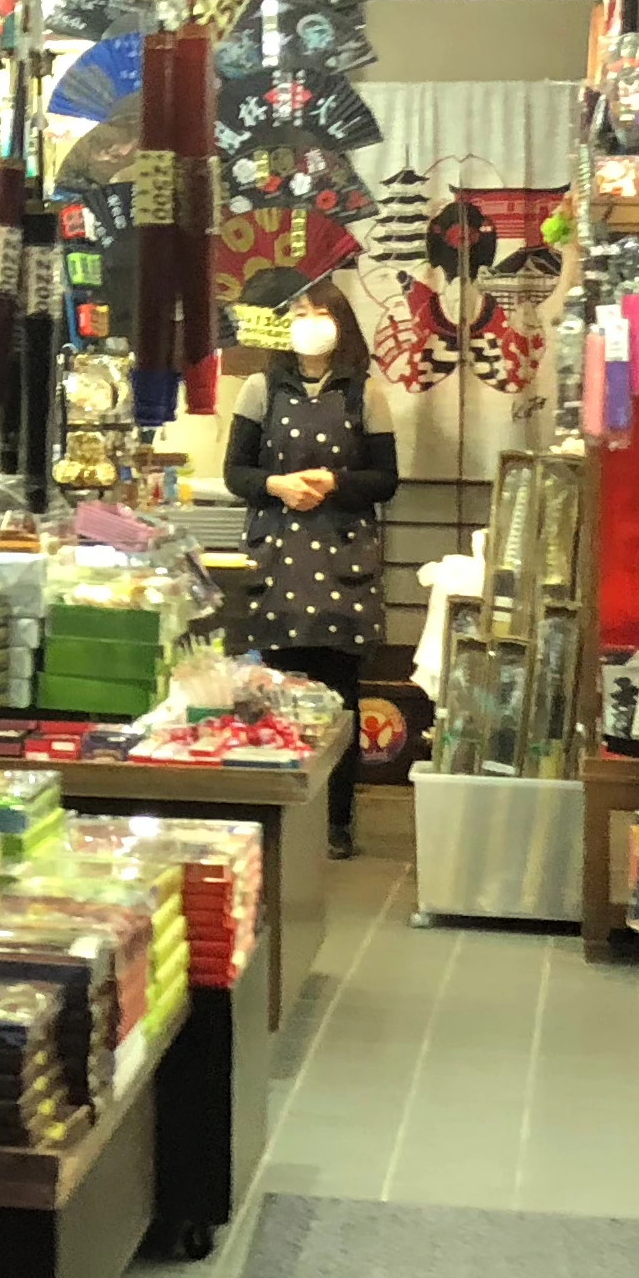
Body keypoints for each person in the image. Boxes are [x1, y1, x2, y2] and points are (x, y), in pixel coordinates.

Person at [224, 272, 400, 860]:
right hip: (276, 556)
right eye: (298, 313)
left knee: (341, 698)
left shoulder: (365, 394)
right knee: (277, 693)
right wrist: (276, 485)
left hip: (344, 560)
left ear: (342, 323)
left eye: (320, 312)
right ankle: (279, 819)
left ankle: (337, 822)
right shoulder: (259, 388)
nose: (309, 323)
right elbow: (236, 473)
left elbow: (386, 480)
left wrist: (335, 482)